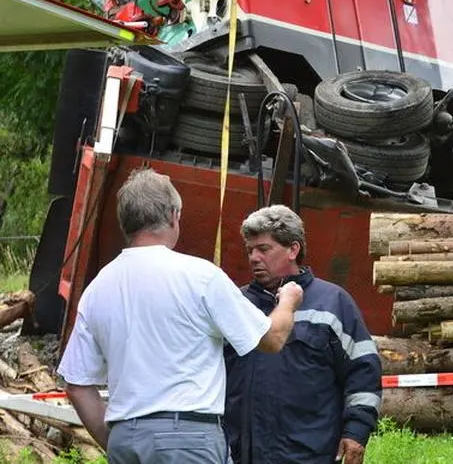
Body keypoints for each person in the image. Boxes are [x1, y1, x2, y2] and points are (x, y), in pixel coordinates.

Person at [56, 168, 301, 463]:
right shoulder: (199, 276)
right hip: (187, 438)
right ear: (173, 216)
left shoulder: (97, 289)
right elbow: (272, 339)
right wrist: (288, 300)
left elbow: (77, 385)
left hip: (125, 438)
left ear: (126, 223)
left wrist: (118, 442)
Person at [223, 205, 382, 464]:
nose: (253, 257)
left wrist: (356, 431)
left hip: (309, 454)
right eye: (250, 250)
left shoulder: (333, 303)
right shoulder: (236, 304)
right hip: (241, 454)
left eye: (264, 249)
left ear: (293, 250)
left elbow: (363, 371)